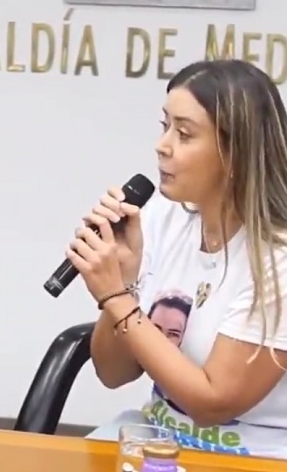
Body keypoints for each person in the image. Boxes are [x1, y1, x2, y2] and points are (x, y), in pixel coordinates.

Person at [69, 59, 287, 459]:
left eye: (184, 134)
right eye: (164, 125)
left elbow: (212, 403)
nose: (162, 145)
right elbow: (113, 373)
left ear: (236, 152)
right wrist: (126, 279)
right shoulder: (162, 216)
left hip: (255, 457)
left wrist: (116, 297)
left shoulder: (278, 257)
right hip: (159, 443)